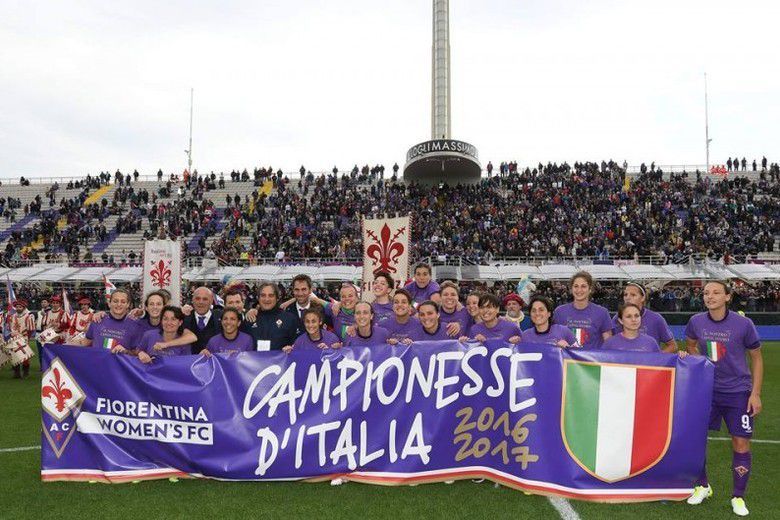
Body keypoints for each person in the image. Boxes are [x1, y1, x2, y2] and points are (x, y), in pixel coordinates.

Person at [685, 280, 763, 517]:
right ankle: (702, 485)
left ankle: (738, 497)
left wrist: (755, 393)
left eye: (716, 292)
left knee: (740, 442)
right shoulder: (696, 321)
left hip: (738, 392)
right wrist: (702, 367)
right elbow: (690, 345)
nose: (710, 296)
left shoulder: (744, 324)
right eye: (706, 293)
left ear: (728, 297)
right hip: (706, 391)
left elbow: (757, 359)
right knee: (696, 439)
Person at [69, 289, 144, 352]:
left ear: (128, 305)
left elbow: (137, 353)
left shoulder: (135, 326)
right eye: (115, 301)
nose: (119, 304)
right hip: (98, 367)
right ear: (109, 303)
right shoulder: (97, 321)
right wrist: (62, 346)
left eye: (123, 302)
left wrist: (126, 352)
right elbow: (84, 342)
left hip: (118, 369)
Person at [553, 271, 612, 349]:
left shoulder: (602, 313)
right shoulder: (559, 312)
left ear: (590, 289)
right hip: (567, 360)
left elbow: (609, 344)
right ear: (571, 289)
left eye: (583, 286)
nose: (579, 290)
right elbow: (553, 339)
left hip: (591, 360)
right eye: (576, 286)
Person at [611, 282, 676, 352]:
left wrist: (657, 358)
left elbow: (672, 345)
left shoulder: (656, 319)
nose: (628, 298)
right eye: (625, 295)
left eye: (633, 295)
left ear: (643, 298)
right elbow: (609, 344)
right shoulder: (617, 318)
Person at [131, 306, 196, 363]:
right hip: (149, 376)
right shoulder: (149, 335)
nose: (169, 323)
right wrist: (140, 353)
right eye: (165, 319)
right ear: (161, 321)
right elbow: (137, 351)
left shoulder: (184, 342)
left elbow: (185, 364)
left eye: (173, 319)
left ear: (180, 322)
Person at [248, 282, 298, 351]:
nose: (267, 299)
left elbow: (297, 345)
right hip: (254, 361)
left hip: (281, 361)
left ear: (277, 298)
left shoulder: (289, 319)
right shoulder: (250, 318)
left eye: (271, 295)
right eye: (263, 295)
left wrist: (291, 348)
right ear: (258, 298)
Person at [182, 286, 223, 354]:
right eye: (197, 298)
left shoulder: (221, 317)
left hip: (215, 362)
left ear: (211, 301)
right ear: (193, 300)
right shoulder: (184, 318)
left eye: (205, 299)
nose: (201, 302)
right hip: (190, 362)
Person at [8, 299, 36, 379]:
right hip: (14, 338)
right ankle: (16, 373)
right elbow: (11, 327)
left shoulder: (28, 316)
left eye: (20, 307)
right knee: (15, 355)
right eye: (17, 307)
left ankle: (25, 373)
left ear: (23, 308)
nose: (18, 308)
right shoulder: (13, 316)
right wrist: (13, 333)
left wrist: (26, 336)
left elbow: (31, 329)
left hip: (23, 338)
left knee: (24, 356)